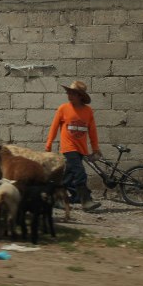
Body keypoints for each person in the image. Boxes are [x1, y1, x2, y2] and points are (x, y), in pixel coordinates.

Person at [45, 80, 102, 211]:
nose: (69, 95)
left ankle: (55, 199)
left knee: (68, 177)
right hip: (68, 147)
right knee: (80, 173)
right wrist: (48, 146)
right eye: (68, 92)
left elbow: (92, 131)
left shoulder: (88, 111)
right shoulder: (63, 108)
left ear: (80, 96)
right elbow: (54, 128)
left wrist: (95, 148)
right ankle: (86, 201)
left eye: (73, 93)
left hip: (81, 149)